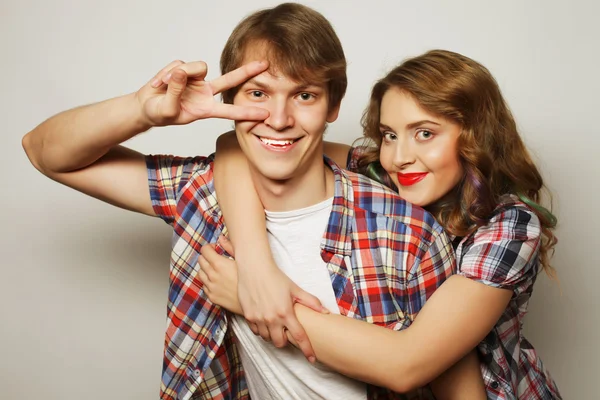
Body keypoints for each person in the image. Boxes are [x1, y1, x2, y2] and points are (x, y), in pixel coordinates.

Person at [21, 3, 471, 399]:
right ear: (230, 100)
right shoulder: (200, 194)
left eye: (304, 95)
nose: (278, 119)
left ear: (334, 106)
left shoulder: (406, 230)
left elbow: (448, 384)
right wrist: (143, 111)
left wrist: (252, 291)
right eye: (258, 94)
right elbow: (46, 152)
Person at [206, 49, 562, 399]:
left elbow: (405, 364)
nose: (400, 157)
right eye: (390, 135)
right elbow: (242, 147)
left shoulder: (509, 225)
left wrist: (253, 298)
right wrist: (256, 266)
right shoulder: (385, 174)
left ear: (475, 135)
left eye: (424, 133)